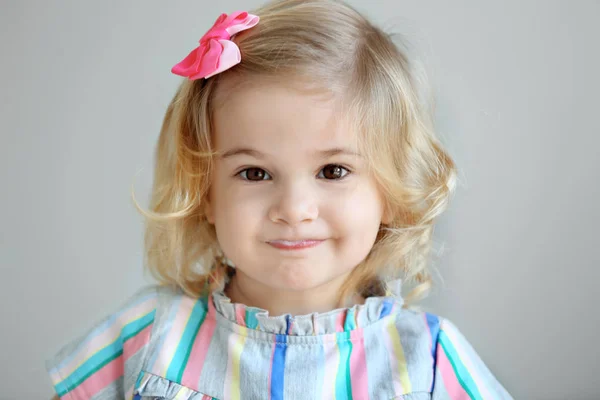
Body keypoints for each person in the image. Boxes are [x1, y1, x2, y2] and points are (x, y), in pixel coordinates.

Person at [46, 1, 513, 399]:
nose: (293, 208)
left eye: (333, 171)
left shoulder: (430, 363)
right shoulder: (146, 338)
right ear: (206, 192)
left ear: (390, 190)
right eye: (254, 173)